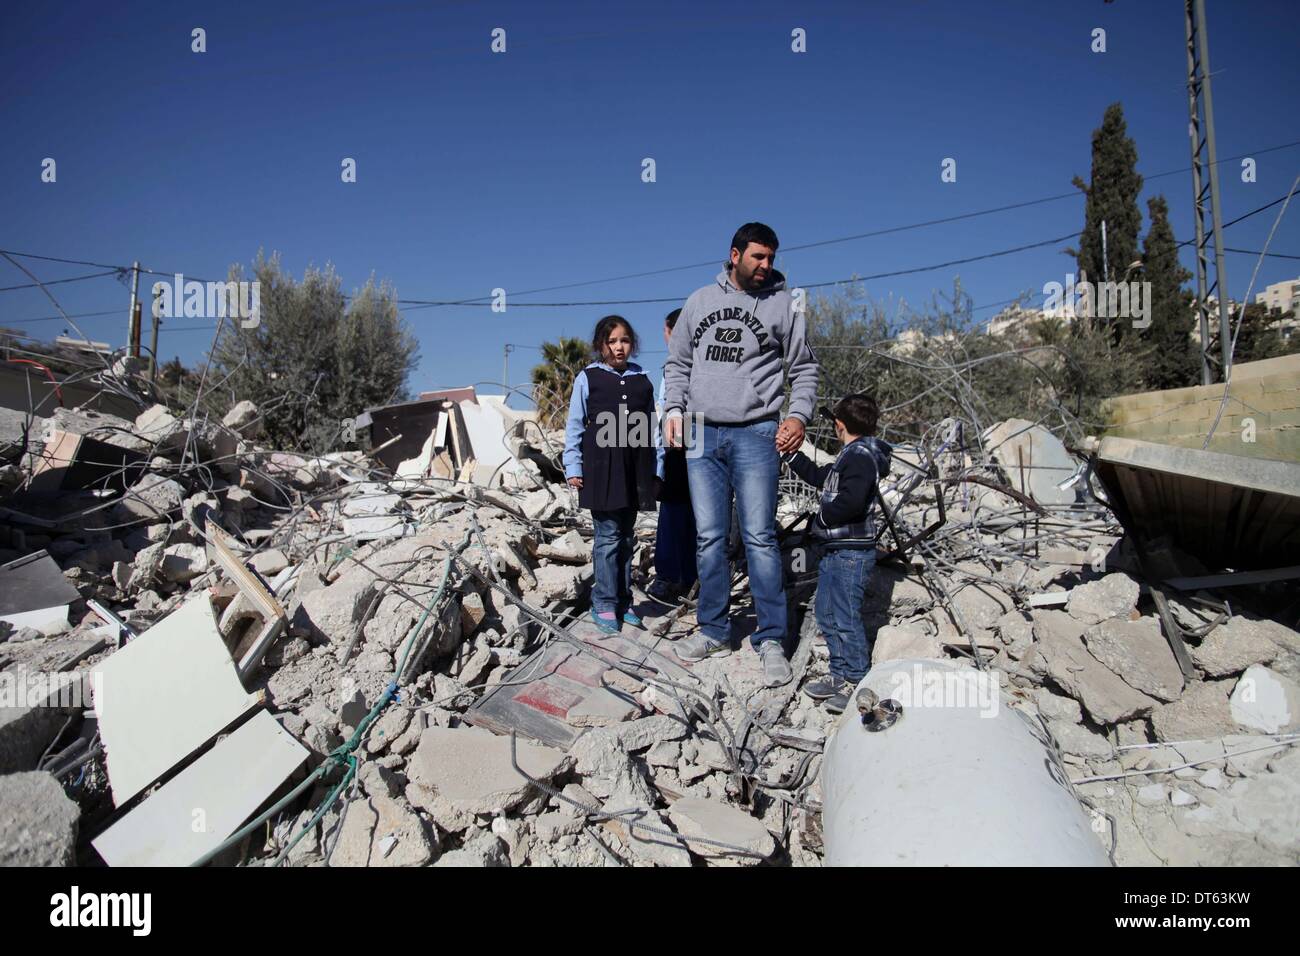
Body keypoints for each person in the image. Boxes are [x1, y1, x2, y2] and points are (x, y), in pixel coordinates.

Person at [662, 222, 819, 686]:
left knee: (758, 538)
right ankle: (714, 630)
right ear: (734, 255)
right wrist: (674, 408)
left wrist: (799, 416)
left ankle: (771, 638)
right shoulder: (698, 302)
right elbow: (678, 363)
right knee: (709, 538)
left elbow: (804, 367)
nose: (766, 267)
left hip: (757, 431)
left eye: (771, 258)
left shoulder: (783, 306)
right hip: (701, 435)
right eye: (758, 258)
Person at [782, 394, 892, 714]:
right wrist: (791, 457)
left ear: (838, 424)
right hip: (836, 550)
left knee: (845, 616)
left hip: (851, 553)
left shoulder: (861, 457)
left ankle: (856, 679)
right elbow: (822, 478)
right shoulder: (851, 455)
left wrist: (823, 518)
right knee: (828, 612)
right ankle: (838, 674)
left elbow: (853, 501)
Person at [563, 315, 657, 634]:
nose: (619, 347)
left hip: (635, 467)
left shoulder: (643, 379)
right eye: (612, 341)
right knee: (607, 537)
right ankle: (602, 601)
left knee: (627, 537)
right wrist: (573, 466)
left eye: (625, 340)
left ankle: (623, 601)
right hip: (601, 466)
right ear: (601, 345)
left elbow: (651, 427)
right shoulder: (588, 377)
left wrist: (655, 470)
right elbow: (575, 424)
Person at [649, 308, 697, 604]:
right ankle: (690, 577)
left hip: (680, 450)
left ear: (671, 331)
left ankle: (670, 578)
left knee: (674, 515)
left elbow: (667, 419)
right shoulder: (704, 363)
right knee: (694, 517)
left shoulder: (676, 367)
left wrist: (658, 460)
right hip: (698, 449)